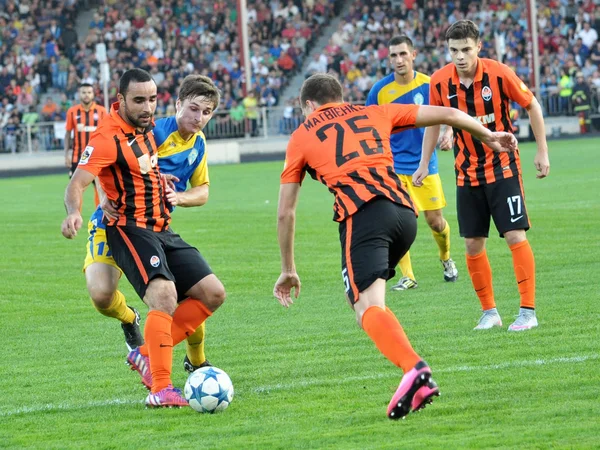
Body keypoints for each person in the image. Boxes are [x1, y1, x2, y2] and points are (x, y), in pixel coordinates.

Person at [273, 73, 517, 419]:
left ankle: (414, 368)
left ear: (308, 105)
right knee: (372, 308)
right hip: (405, 214)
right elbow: (447, 113)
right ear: (341, 97)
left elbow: (285, 213)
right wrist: (488, 134)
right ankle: (414, 376)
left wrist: (288, 269)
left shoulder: (302, 134)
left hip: (363, 215)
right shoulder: (376, 111)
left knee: (365, 308)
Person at [61, 69, 226, 407]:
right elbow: (80, 179)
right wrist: (77, 209)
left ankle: (160, 355)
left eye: (152, 99)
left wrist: (170, 191)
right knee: (106, 296)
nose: (148, 107)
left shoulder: (158, 131)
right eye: (139, 100)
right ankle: (153, 363)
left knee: (209, 293)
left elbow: (195, 186)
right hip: (120, 225)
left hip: (159, 227)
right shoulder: (129, 133)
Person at [414, 20, 550, 332]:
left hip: (503, 169)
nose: (459, 56)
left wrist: (541, 151)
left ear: (478, 47)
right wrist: (425, 162)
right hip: (466, 174)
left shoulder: (499, 73)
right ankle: (490, 312)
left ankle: (528, 312)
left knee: (515, 236)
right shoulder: (439, 82)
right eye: (453, 50)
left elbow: (532, 105)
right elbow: (434, 122)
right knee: (473, 245)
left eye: (465, 49)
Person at [366, 35, 457, 291]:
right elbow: (370, 126)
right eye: (393, 55)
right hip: (393, 167)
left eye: (403, 54)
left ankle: (446, 258)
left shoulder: (430, 84)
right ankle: (408, 276)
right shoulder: (379, 91)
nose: (398, 60)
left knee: (435, 222)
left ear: (413, 55)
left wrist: (448, 133)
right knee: (397, 223)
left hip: (425, 165)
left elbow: (449, 113)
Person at [64, 83, 107, 205]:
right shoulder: (72, 112)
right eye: (83, 92)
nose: (86, 95)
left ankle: (99, 220)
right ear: (79, 94)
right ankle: (75, 219)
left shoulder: (102, 112)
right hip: (78, 158)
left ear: (93, 94)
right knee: (75, 189)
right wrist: (66, 155)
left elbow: (107, 134)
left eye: (89, 92)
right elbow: (67, 135)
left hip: (97, 157)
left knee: (101, 189)